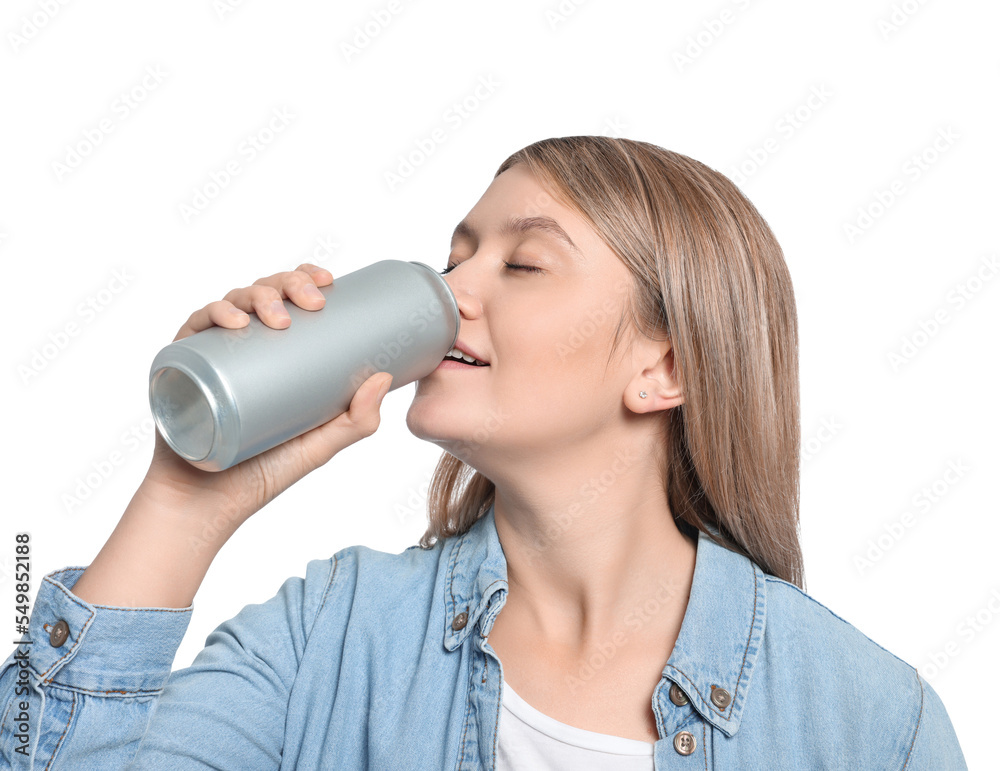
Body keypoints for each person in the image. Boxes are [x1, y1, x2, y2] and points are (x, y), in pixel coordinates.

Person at [1, 136, 966, 769]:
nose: (452, 286)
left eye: (524, 262)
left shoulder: (875, 726)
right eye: (456, 253)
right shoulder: (327, 638)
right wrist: (185, 499)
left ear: (662, 365)